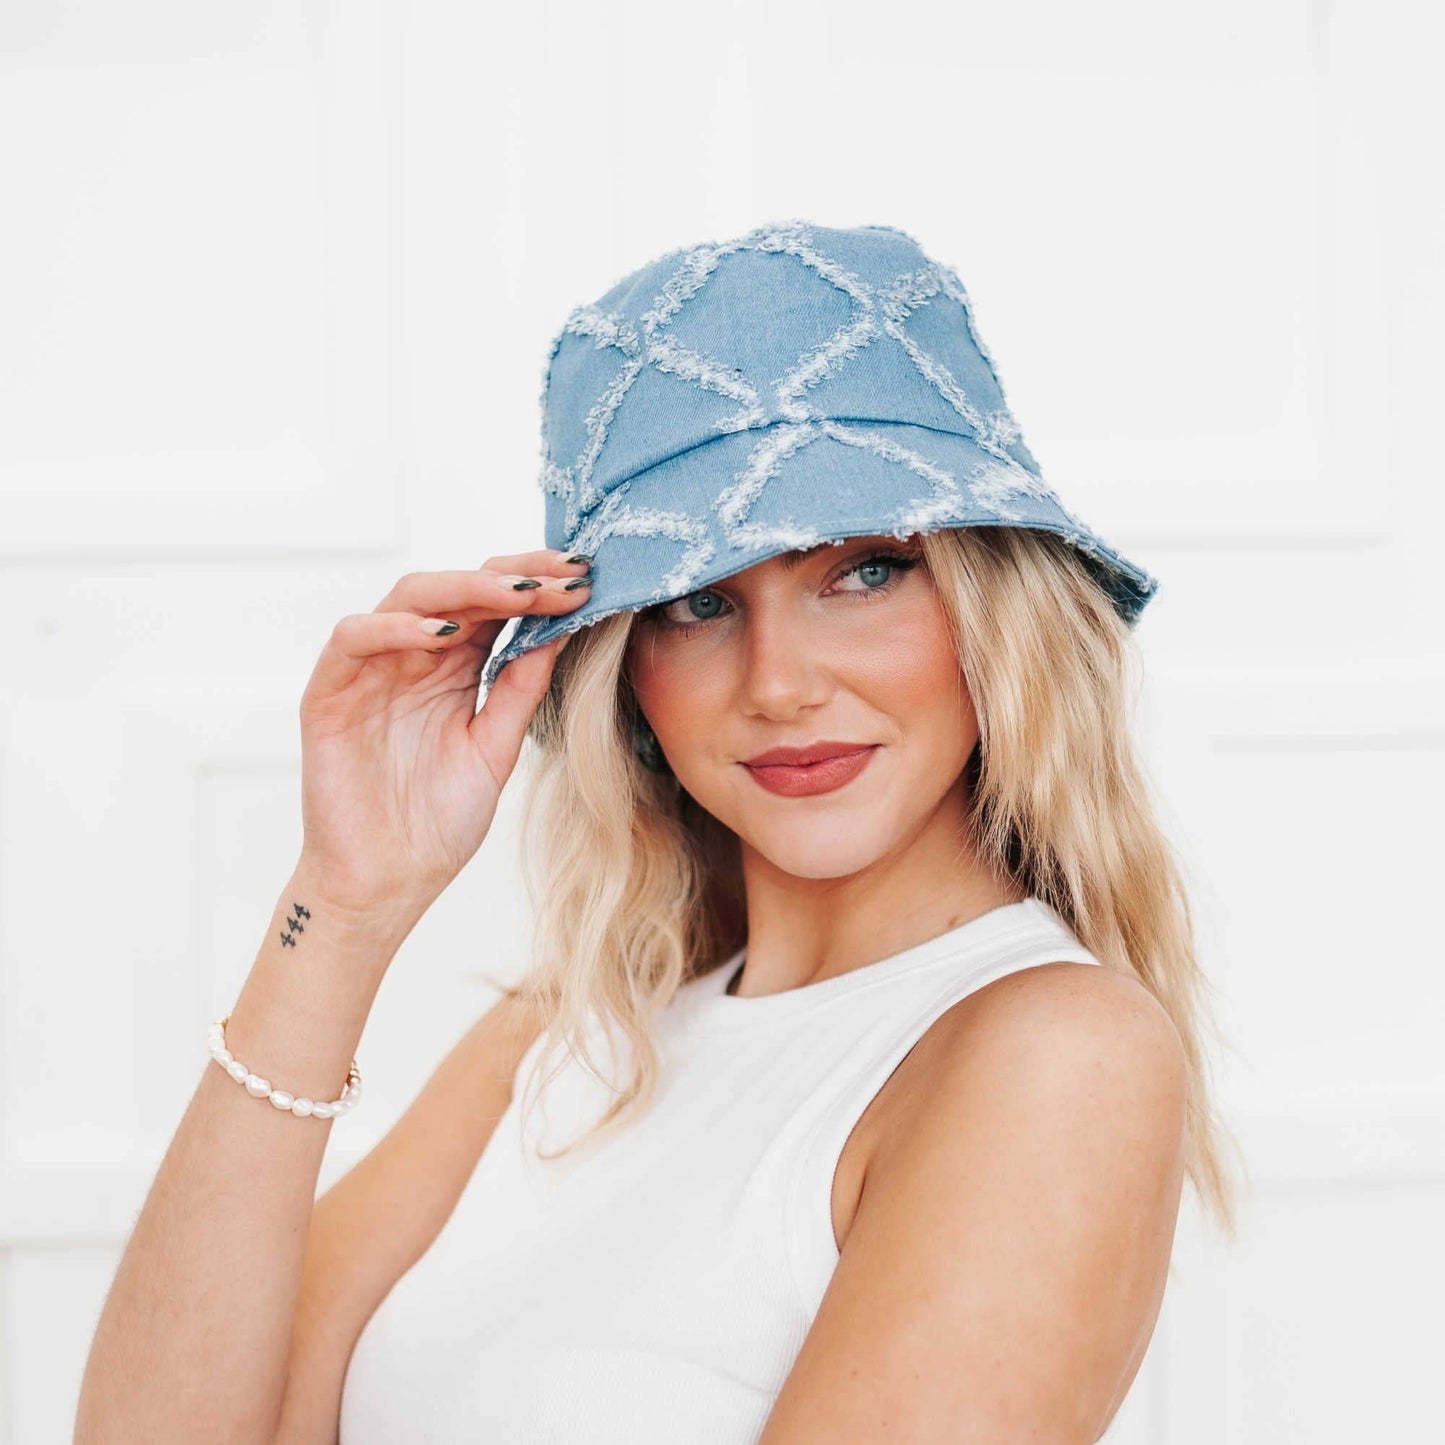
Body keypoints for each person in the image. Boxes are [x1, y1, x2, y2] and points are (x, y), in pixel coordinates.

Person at [75, 221, 1239, 1444]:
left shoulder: (1054, 1053)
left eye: (865, 570)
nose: (777, 683)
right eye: (697, 601)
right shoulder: (564, 1036)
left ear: (998, 603)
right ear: (625, 669)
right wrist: (346, 899)